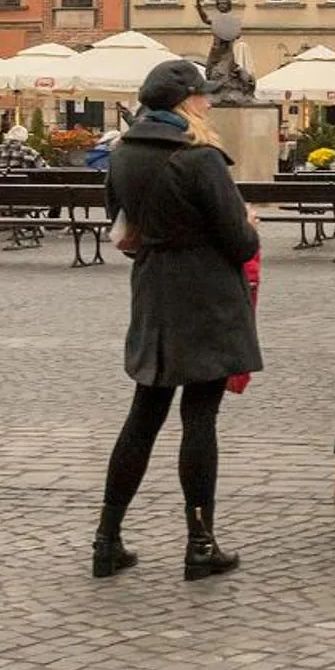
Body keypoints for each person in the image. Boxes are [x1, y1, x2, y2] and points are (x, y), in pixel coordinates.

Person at [95, 58, 261, 582]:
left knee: (143, 415)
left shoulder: (123, 155)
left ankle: (107, 538)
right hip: (204, 295)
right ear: (186, 102)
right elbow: (238, 240)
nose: (210, 102)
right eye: (203, 96)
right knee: (199, 419)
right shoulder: (199, 157)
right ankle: (200, 542)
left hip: (152, 290)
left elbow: (121, 225)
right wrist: (250, 223)